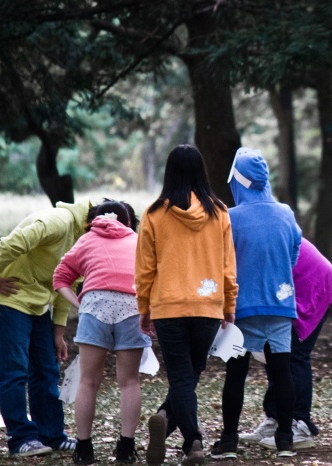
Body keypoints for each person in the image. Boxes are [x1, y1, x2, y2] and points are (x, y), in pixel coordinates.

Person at [136, 144, 238, 466]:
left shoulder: (153, 214)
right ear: (201, 172)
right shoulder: (219, 212)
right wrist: (229, 304)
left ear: (169, 173)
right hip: (207, 306)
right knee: (190, 374)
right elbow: (227, 265)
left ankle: (170, 420)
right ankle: (191, 441)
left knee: (183, 376)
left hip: (168, 307)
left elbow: (145, 269)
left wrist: (144, 307)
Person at [210, 148, 302, 460]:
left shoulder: (230, 218)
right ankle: (285, 439)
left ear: (237, 180)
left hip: (242, 307)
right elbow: (294, 253)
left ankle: (229, 441)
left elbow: (222, 262)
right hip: (280, 303)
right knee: (282, 373)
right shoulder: (286, 213)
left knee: (236, 374)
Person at [0, 199, 93, 458]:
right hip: (8, 298)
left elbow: (68, 281)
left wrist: (58, 331)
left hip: (38, 304)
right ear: (92, 223)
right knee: (15, 371)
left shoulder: (84, 241)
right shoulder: (59, 222)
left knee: (46, 369)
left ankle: (51, 435)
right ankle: (20, 438)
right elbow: (11, 242)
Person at [53, 199, 150, 465]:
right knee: (129, 382)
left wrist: (80, 303)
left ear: (94, 219)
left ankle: (83, 449)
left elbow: (60, 277)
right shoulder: (138, 241)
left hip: (94, 306)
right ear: (128, 222)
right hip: (132, 306)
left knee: (88, 381)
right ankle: (126, 448)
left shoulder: (86, 240)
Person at [240, 237, 332, 450]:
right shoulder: (243, 227)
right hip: (289, 287)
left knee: (293, 355)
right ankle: (277, 418)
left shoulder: (238, 230)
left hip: (312, 284)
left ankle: (301, 425)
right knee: (274, 352)